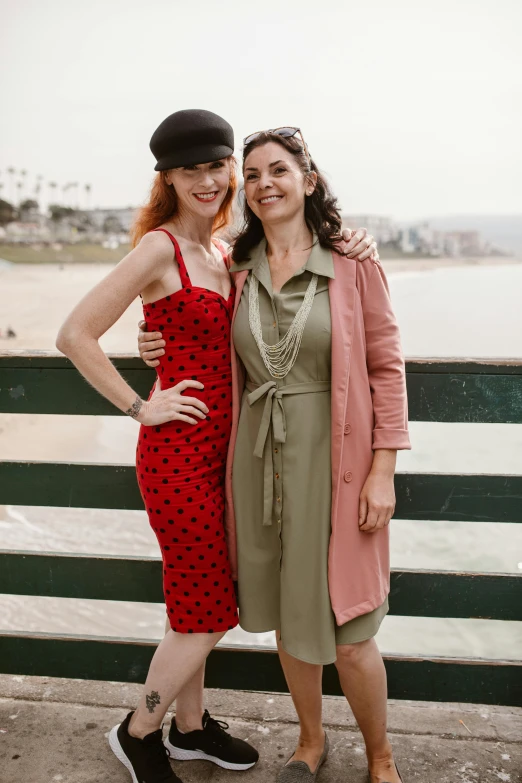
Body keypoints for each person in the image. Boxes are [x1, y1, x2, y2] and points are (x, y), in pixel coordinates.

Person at [57, 109, 377, 783]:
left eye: (215, 165)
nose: (207, 180)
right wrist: (142, 404)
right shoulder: (159, 248)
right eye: (188, 169)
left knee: (195, 600)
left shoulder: (229, 250)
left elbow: (270, 298)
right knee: (207, 612)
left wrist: (348, 236)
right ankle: (139, 728)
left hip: (233, 455)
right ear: (166, 179)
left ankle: (191, 729)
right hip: (176, 457)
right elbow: (75, 333)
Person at [140, 127, 410, 783]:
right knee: (292, 620)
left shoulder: (352, 262)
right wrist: (147, 339)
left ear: (308, 180)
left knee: (351, 632)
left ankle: (381, 756)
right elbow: (184, 315)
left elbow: (386, 366)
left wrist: (383, 469)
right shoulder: (236, 264)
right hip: (257, 464)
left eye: (278, 170)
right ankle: (309, 743)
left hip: (337, 465)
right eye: (253, 173)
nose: (263, 183)